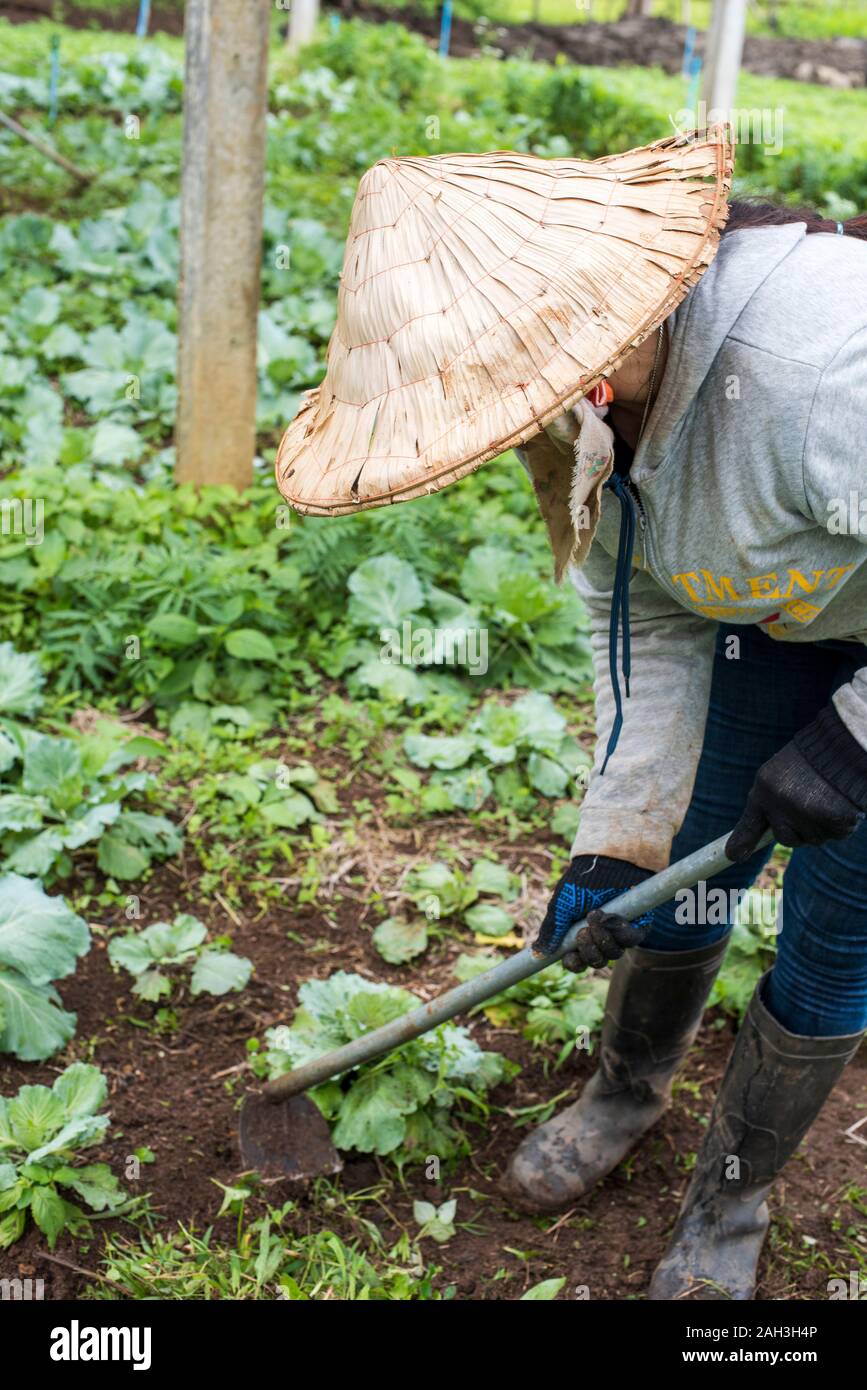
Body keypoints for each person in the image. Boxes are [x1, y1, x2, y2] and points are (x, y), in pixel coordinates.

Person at [275, 131, 867, 1300]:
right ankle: (623, 1089)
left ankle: (733, 1195)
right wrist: (616, 839)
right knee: (688, 858)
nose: (535, 416)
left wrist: (853, 740)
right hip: (775, 613)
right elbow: (643, 614)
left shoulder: (812, 372)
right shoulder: (577, 403)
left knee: (836, 937)